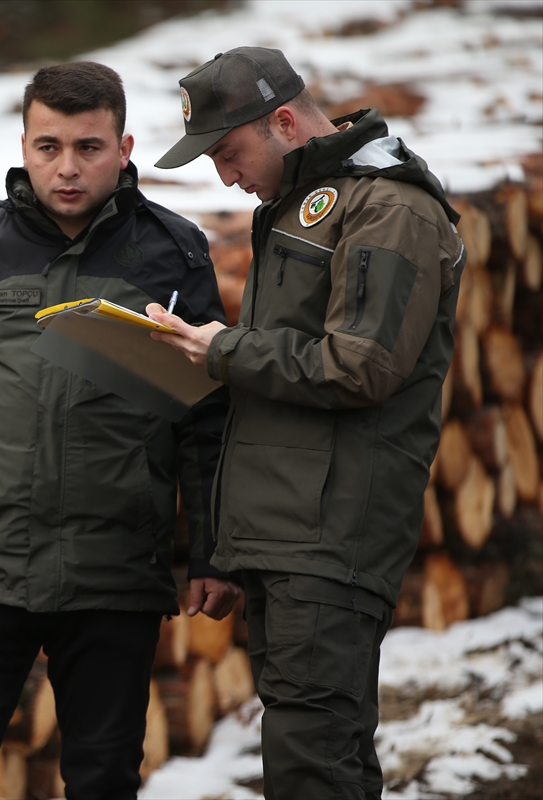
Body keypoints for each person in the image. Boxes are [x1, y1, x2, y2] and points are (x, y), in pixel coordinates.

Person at [0, 61, 241, 797]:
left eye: (89, 147)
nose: (67, 168)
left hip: (115, 574)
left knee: (103, 778)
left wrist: (214, 553)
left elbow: (206, 417)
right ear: (24, 143)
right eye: (48, 147)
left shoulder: (173, 251)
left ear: (125, 147)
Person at [148, 47, 465, 800]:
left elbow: (360, 367)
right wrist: (230, 546)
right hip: (291, 533)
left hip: (330, 533)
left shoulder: (387, 205)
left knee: (311, 763)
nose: (226, 177)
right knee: (322, 756)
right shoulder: (308, 202)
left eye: (228, 153)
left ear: (283, 122)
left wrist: (220, 349)